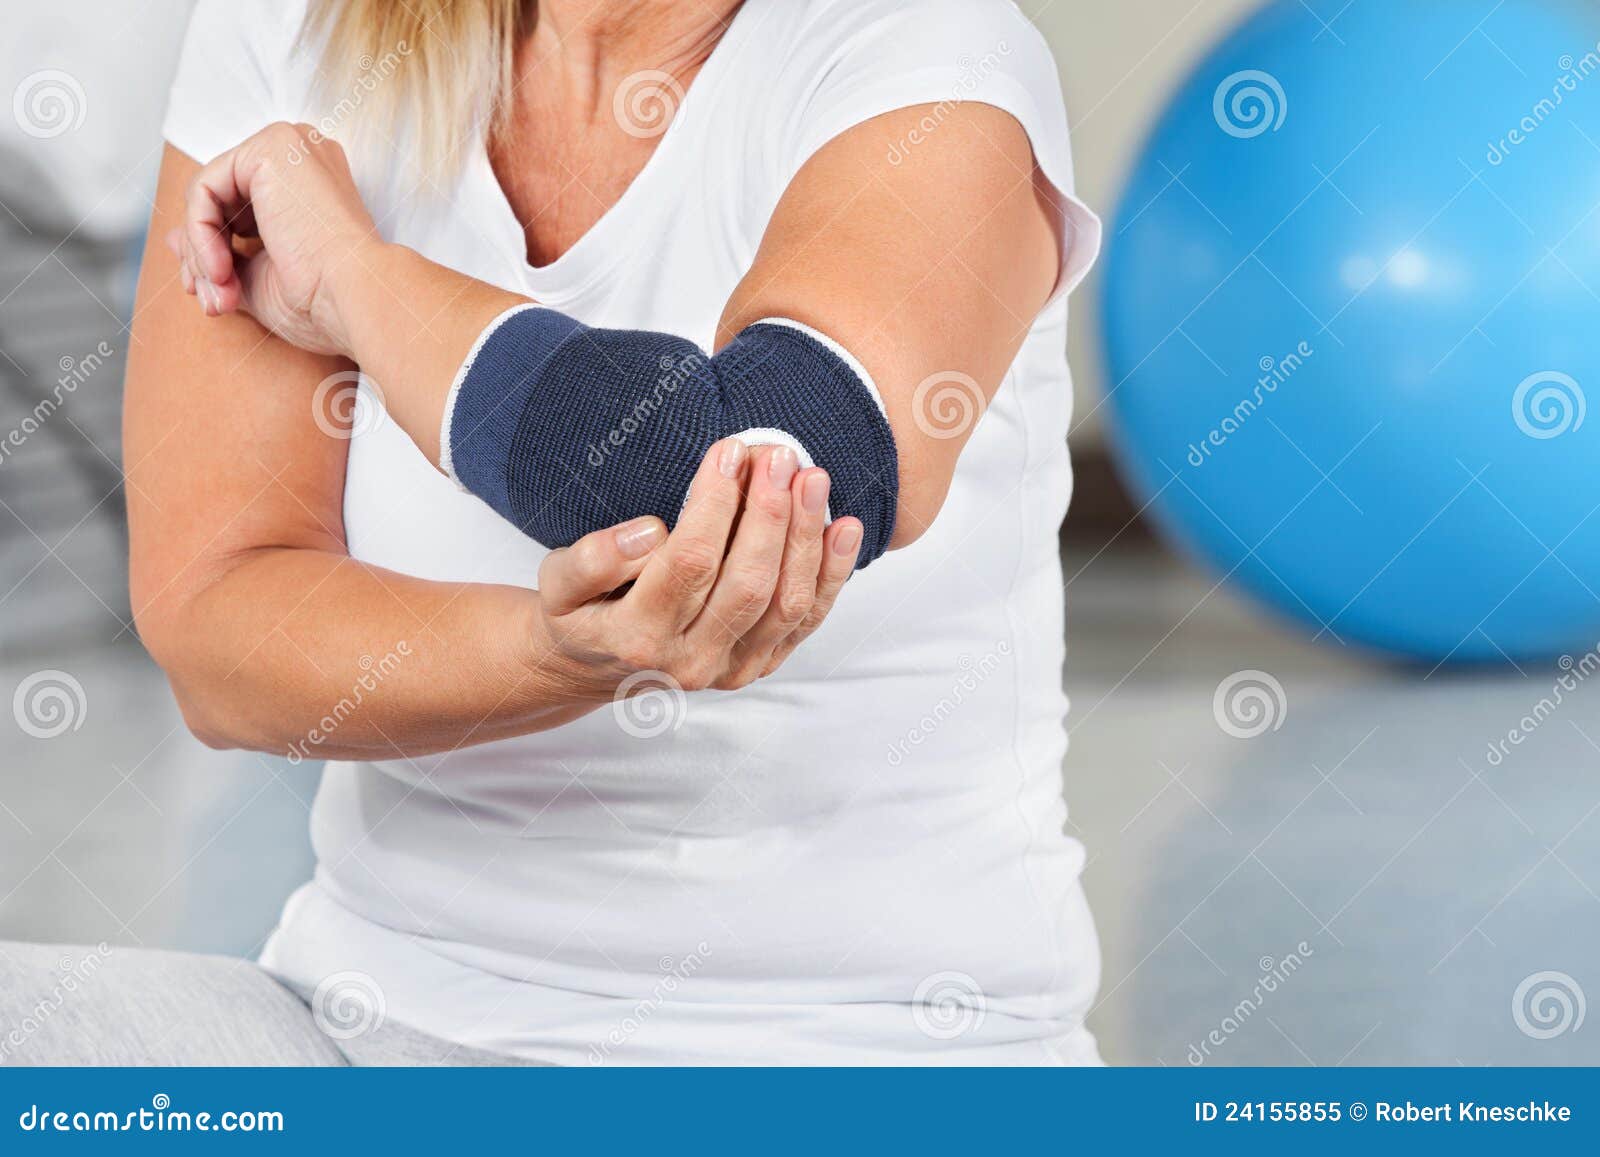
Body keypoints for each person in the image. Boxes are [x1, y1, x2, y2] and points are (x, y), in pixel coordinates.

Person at [5, 0, 1103, 1065]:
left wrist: (355, 277)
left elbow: (746, 474)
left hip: (847, 1050)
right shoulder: (297, 28)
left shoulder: (933, 54)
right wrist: (546, 651)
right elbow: (218, 623)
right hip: (364, 1025)